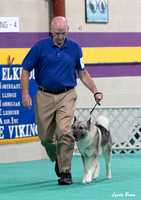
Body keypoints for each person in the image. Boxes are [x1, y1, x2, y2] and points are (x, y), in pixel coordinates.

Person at [21, 16, 103, 185]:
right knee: (45, 137)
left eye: (63, 33)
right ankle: (59, 158)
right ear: (51, 30)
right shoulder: (40, 47)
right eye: (57, 33)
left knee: (66, 132)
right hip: (44, 95)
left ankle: (66, 172)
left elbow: (83, 73)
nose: (60, 36)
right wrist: (25, 93)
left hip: (67, 94)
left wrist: (95, 90)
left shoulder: (75, 48)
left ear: (68, 30)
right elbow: (25, 70)